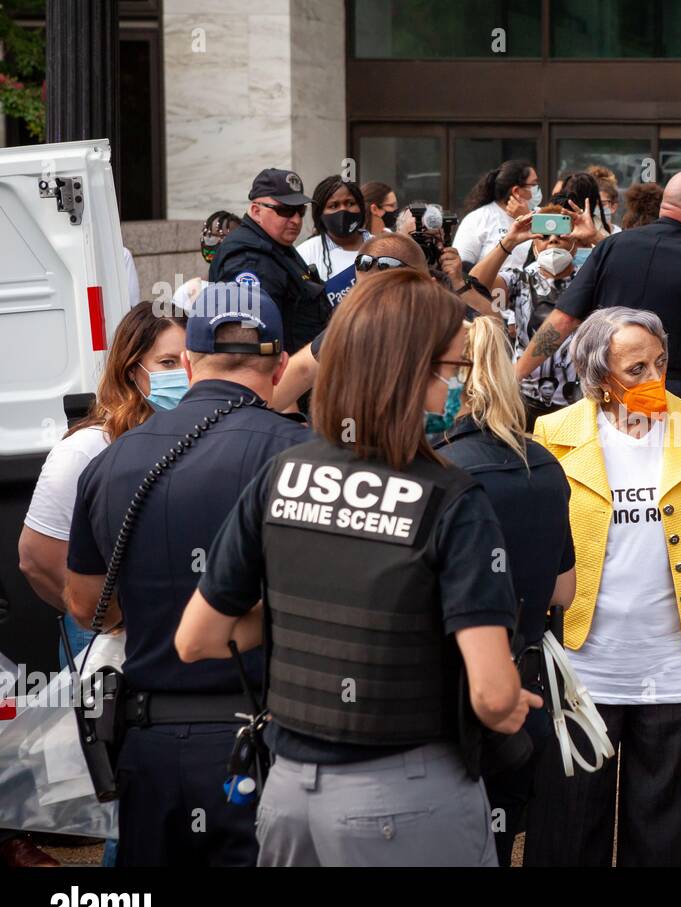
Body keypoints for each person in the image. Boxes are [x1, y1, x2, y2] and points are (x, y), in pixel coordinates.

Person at [173, 272, 533, 866]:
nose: (454, 387)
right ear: (409, 368)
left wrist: (298, 623)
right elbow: (493, 696)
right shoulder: (453, 501)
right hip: (407, 796)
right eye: (450, 366)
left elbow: (197, 638)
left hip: (289, 795)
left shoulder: (279, 476)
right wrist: (513, 703)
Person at [63, 284, 307, 867]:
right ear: (278, 368)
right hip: (266, 743)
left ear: (191, 363)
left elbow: (85, 604)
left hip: (152, 749)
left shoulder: (110, 460)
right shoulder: (307, 455)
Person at [525, 307, 681, 867]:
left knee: (665, 829)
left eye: (660, 362)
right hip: (584, 660)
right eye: (635, 369)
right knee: (569, 824)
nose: (654, 380)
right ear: (597, 377)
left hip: (674, 661)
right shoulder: (555, 432)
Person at [434, 316, 577, 865]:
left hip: (448, 696)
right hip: (526, 685)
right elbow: (563, 589)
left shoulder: (435, 466)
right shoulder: (543, 464)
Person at [21, 303, 188, 664]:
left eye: (189, 361)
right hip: (101, 646)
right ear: (132, 371)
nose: (183, 374)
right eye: (168, 362)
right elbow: (36, 558)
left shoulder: (193, 435)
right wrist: (101, 619)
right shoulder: (86, 448)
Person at [517, 171, 681, 403]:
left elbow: (562, 320)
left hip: (609, 391)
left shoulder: (611, 247)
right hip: (676, 398)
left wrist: (514, 375)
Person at [470, 203, 599, 427]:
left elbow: (629, 268)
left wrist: (595, 236)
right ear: (534, 244)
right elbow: (475, 284)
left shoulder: (591, 280)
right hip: (526, 400)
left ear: (576, 244)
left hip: (580, 403)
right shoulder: (519, 279)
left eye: (562, 235)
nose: (553, 240)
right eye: (544, 236)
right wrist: (509, 241)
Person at [271, 232, 430, 413]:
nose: (377, 313)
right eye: (364, 297)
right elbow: (300, 371)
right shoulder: (351, 330)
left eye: (383, 297)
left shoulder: (450, 332)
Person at [208, 167, 330, 355]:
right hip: (280, 377)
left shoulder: (276, 244)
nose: (296, 219)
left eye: (300, 210)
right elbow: (249, 341)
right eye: (285, 210)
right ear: (256, 211)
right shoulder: (249, 259)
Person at [296, 176, 368, 309]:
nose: (343, 210)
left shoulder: (383, 246)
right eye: (333, 206)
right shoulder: (305, 254)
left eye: (350, 203)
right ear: (319, 213)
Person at [454, 159, 540, 270]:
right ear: (516, 191)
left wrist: (530, 219)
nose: (537, 188)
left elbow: (555, 249)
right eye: (534, 184)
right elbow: (461, 266)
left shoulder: (541, 214)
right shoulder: (478, 218)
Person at [174, 211, 240, 311]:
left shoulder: (251, 287)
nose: (220, 244)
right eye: (211, 238)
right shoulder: (187, 291)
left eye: (226, 239)